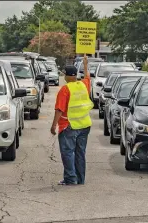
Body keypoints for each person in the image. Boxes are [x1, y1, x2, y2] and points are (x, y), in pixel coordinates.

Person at [50, 55, 94, 185]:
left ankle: (70, 178)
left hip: (69, 126)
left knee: (68, 153)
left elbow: (59, 109)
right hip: (85, 125)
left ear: (67, 76)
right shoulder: (83, 85)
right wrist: (85, 65)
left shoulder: (65, 89)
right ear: (75, 75)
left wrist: (53, 126)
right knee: (80, 153)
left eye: (64, 74)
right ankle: (80, 179)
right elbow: (88, 77)